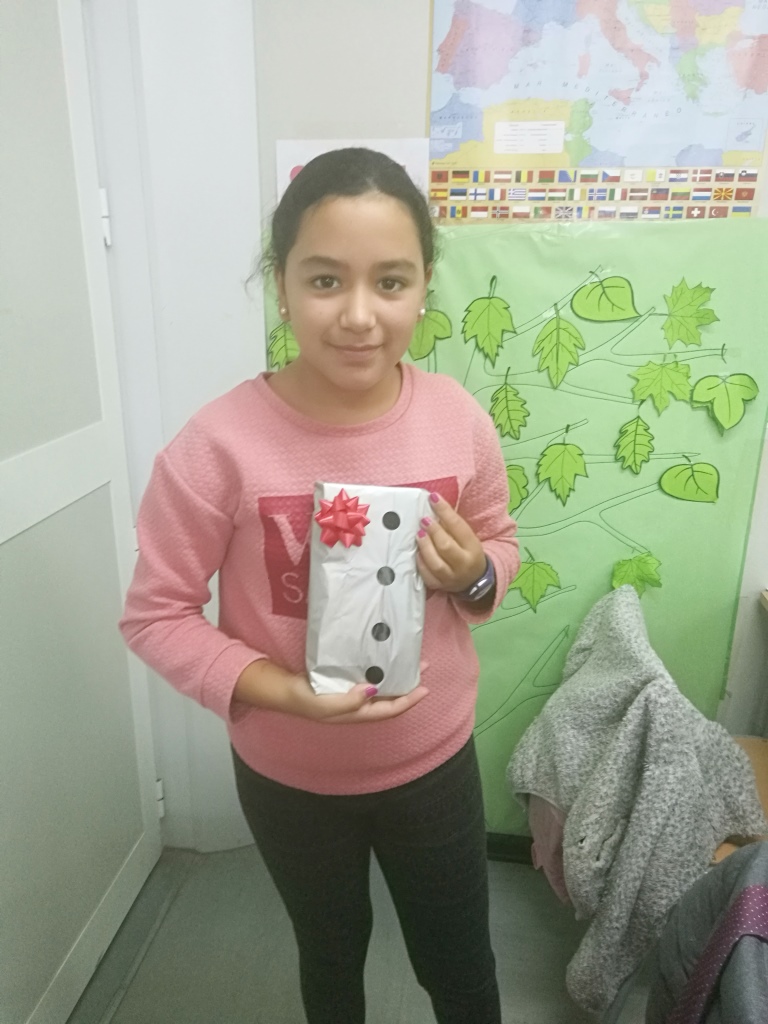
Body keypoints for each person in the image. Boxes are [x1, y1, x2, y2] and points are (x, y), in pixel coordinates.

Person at [120, 147, 519, 1024]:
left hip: (433, 761)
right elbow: (155, 615)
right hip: (289, 776)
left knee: (460, 964)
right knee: (330, 956)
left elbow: (500, 541)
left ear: (423, 287)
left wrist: (476, 573)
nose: (359, 316)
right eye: (326, 280)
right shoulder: (216, 446)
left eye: (391, 281)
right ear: (282, 284)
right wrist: (281, 692)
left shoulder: (457, 419)